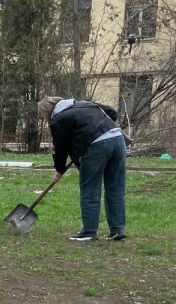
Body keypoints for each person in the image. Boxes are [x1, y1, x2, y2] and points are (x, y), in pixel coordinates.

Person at [38, 96, 128, 242]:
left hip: (97, 145)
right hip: (118, 140)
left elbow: (60, 148)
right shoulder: (85, 105)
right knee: (115, 188)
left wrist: (59, 170)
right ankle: (117, 230)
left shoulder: (59, 119)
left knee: (90, 189)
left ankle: (89, 232)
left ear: (48, 111)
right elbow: (111, 112)